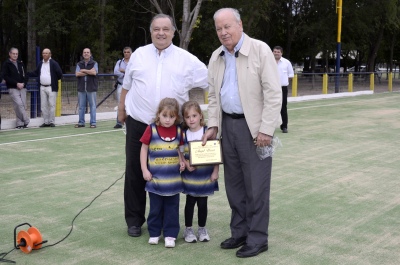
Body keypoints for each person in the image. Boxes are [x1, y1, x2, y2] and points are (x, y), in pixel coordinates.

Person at [117, 14, 208, 238]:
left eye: (165, 29)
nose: (161, 33)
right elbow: (126, 86)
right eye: (156, 29)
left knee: (172, 172)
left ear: (173, 32)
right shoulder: (138, 55)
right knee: (136, 172)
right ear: (150, 32)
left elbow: (211, 81)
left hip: (172, 127)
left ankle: (171, 223)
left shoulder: (186, 59)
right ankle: (135, 220)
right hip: (139, 123)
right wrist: (121, 110)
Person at [203, 8, 282, 258]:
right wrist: (213, 126)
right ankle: (240, 232)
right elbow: (214, 97)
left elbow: (273, 93)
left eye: (227, 26)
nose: (223, 32)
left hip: (256, 130)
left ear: (240, 25)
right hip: (228, 127)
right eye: (218, 28)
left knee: (256, 187)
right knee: (234, 186)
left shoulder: (260, 50)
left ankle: (258, 238)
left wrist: (266, 130)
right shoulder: (216, 56)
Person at [139, 97, 185, 248]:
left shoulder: (179, 131)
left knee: (172, 209)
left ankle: (170, 234)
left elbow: (180, 150)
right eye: (165, 116)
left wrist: (183, 161)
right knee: (155, 209)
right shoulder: (151, 129)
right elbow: (144, 149)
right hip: (155, 181)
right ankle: (154, 233)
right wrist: (145, 169)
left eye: (172, 117)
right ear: (158, 114)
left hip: (173, 181)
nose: (168, 119)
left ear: (176, 117)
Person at [180, 100, 219, 243]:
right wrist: (184, 162)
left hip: (205, 176)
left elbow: (216, 153)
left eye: (194, 116)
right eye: (188, 117)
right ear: (184, 119)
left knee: (203, 203)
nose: (191, 119)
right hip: (190, 176)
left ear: (201, 116)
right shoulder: (183, 134)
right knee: (190, 202)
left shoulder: (207, 132)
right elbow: (179, 151)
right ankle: (188, 229)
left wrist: (216, 171)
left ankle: (202, 228)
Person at [28, 48, 63, 127]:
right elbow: (36, 72)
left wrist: (53, 80)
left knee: (52, 105)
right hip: (42, 87)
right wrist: (27, 74)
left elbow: (59, 74)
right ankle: (46, 121)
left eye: (46, 53)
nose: (45, 55)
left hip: (51, 87)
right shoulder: (41, 63)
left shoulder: (54, 63)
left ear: (50, 54)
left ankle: (51, 121)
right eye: (43, 53)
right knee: (43, 105)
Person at [2, 47, 30, 129]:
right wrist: (16, 83)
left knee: (23, 105)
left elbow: (26, 75)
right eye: (13, 53)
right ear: (10, 54)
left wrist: (23, 83)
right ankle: (26, 120)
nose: (15, 55)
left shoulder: (21, 63)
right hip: (13, 87)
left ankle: (20, 124)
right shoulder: (6, 64)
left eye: (16, 54)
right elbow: (5, 76)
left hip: (23, 87)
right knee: (19, 104)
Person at [75, 48, 98, 128]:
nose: (86, 54)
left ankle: (93, 123)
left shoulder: (94, 63)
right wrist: (89, 72)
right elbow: (77, 74)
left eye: (88, 52)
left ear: (90, 54)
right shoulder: (79, 64)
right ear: (82, 54)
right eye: (84, 52)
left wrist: (83, 70)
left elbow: (94, 72)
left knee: (93, 106)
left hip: (91, 87)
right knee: (81, 106)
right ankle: (81, 122)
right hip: (81, 87)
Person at [273, 46, 294, 133]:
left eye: (278, 52)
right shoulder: (268, 61)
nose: (276, 53)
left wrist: (282, 83)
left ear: (281, 53)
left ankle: (284, 126)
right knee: (269, 107)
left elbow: (290, 75)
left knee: (283, 107)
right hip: (271, 88)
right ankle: (269, 127)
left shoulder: (286, 62)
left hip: (282, 88)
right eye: (275, 51)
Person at [113, 47, 132, 129]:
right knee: (120, 103)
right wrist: (126, 73)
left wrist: (124, 71)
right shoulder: (119, 62)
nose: (126, 53)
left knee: (130, 103)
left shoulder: (134, 62)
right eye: (125, 52)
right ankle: (119, 122)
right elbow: (116, 72)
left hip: (131, 86)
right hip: (121, 84)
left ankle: (130, 121)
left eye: (128, 52)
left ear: (131, 53)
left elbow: (133, 72)